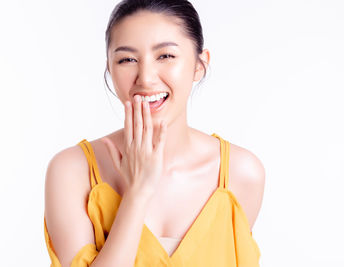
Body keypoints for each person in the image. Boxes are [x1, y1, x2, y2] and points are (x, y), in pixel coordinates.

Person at [44, 0, 265, 266]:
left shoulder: (241, 174)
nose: (146, 78)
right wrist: (137, 193)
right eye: (127, 59)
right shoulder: (72, 171)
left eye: (166, 56)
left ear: (199, 64)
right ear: (110, 69)